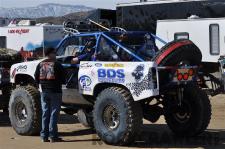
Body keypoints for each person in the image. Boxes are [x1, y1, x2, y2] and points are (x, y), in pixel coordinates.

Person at [34, 47, 65, 143]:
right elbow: (64, 78)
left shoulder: (40, 64)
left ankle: (44, 136)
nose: (55, 55)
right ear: (50, 54)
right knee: (54, 114)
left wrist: (43, 84)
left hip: (44, 92)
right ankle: (53, 136)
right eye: (54, 53)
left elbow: (36, 77)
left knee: (45, 114)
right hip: (55, 92)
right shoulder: (57, 64)